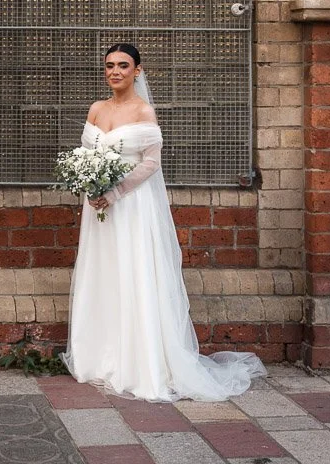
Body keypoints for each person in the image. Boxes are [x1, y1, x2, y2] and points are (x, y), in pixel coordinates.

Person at [61, 43, 266, 402]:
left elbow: (151, 163)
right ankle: (98, 355)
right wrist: (89, 183)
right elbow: (87, 155)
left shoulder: (144, 111)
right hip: (97, 211)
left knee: (133, 273)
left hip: (130, 206)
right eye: (109, 65)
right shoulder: (96, 109)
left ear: (137, 71)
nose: (115, 71)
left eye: (123, 65)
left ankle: (140, 364)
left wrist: (114, 191)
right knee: (103, 273)